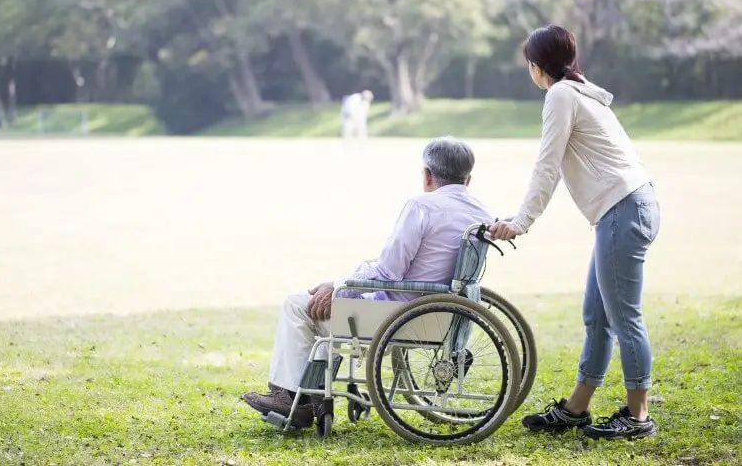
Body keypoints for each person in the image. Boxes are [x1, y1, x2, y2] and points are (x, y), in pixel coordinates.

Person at [242, 136, 494, 428]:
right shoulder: (481, 214)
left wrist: (338, 285)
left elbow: (388, 273)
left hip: (396, 315)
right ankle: (307, 397)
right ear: (468, 178)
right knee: (327, 307)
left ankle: (289, 397)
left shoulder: (422, 206)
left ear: (427, 175)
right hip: (442, 313)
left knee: (298, 304)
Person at [489, 24, 661, 440]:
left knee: (624, 319)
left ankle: (638, 418)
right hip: (626, 208)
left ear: (536, 65)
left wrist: (521, 220)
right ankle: (576, 408)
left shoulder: (561, 95)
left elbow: (547, 164)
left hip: (622, 210)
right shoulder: (583, 91)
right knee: (596, 316)